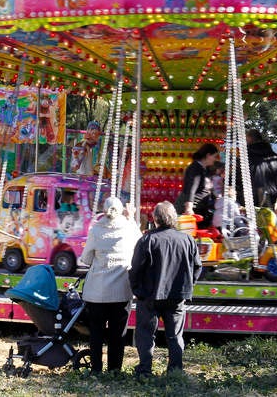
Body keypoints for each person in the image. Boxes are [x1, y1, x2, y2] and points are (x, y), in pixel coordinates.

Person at [129, 201, 202, 378]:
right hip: (177, 295)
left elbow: (135, 269)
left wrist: (138, 291)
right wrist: (188, 285)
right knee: (175, 336)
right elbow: (198, 266)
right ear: (174, 219)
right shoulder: (187, 240)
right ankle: (175, 371)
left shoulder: (147, 240)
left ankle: (145, 371)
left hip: (149, 296)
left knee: (146, 335)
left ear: (155, 219)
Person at [79, 197, 140, 375]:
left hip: (97, 292)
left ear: (103, 210)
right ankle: (114, 370)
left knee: (96, 334)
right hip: (121, 291)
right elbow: (140, 243)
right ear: (122, 211)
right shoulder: (129, 228)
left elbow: (86, 259)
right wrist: (131, 217)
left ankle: (96, 369)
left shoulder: (96, 230)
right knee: (118, 334)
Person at [179, 143, 219, 228]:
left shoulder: (206, 169)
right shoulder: (194, 168)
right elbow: (191, 188)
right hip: (193, 207)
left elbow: (208, 188)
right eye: (214, 156)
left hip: (202, 208)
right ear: (208, 155)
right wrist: (189, 208)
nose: (215, 159)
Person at [245, 129, 277, 208]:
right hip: (271, 199)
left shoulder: (246, 156)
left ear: (250, 139)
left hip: (251, 201)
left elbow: (239, 177)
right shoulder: (274, 157)